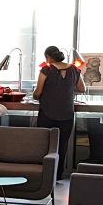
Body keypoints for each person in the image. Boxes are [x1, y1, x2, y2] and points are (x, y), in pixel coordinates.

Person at [33, 46, 84, 180]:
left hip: (47, 112)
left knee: (45, 144)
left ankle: (45, 175)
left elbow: (38, 93)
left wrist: (35, 94)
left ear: (48, 57)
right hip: (67, 113)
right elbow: (81, 88)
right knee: (62, 145)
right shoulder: (75, 69)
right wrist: (66, 88)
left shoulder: (46, 70)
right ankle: (58, 175)